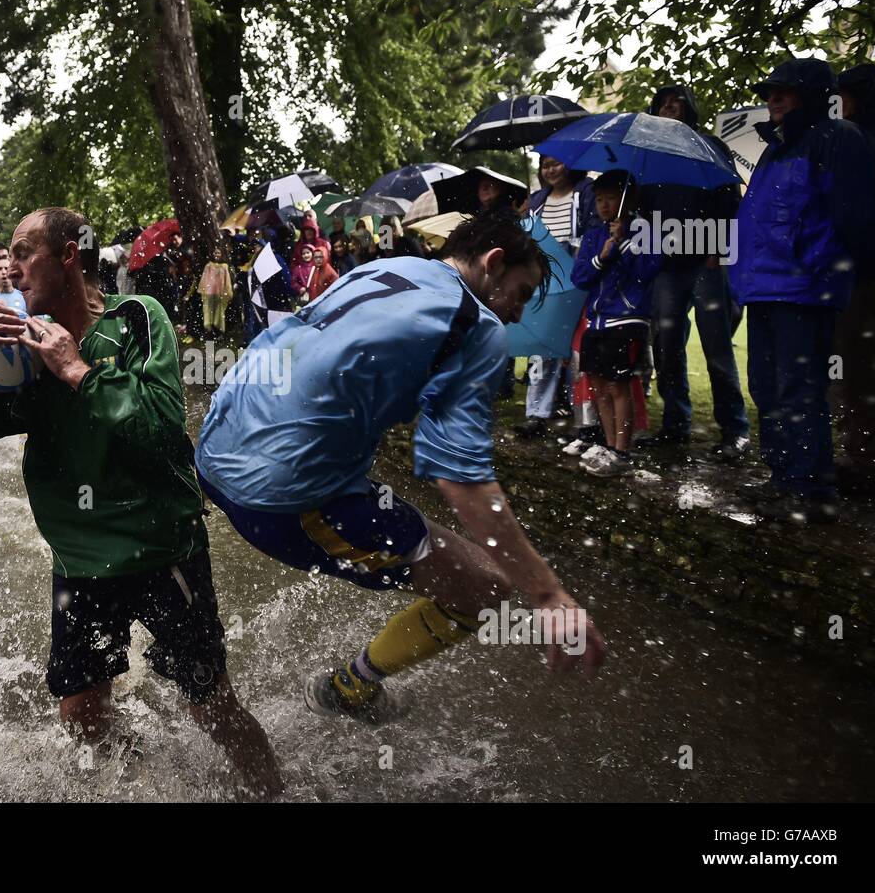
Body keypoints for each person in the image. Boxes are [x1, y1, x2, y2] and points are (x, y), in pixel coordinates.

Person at [0, 206, 283, 797]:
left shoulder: (139, 318)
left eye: (22, 252)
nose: (10, 268)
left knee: (212, 704)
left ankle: (274, 795)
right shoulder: (17, 350)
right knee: (81, 714)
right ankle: (136, 785)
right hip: (80, 561)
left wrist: (76, 370)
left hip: (161, 548)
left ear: (68, 255)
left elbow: (164, 427)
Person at [194, 208, 606, 721]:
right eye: (521, 294)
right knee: (490, 587)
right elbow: (460, 478)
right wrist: (548, 594)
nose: (519, 315)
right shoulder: (475, 325)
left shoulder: (387, 270)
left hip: (212, 454)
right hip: (280, 496)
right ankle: (347, 689)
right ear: (494, 262)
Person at [731, 58, 875, 523]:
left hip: (803, 290)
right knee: (766, 386)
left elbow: (859, 217)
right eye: (770, 91)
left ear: (813, 96)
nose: (772, 99)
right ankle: (784, 477)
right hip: (763, 289)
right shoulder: (774, 150)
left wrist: (828, 272)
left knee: (800, 389)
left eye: (784, 91)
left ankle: (810, 489)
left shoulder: (839, 139)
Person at [637, 84, 751, 460]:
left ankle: (735, 430)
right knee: (668, 348)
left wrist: (718, 250)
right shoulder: (648, 155)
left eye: (677, 104)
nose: (670, 109)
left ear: (689, 109)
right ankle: (675, 425)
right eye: (664, 104)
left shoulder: (709, 147)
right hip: (666, 266)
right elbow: (641, 206)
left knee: (716, 347)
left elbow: (729, 197)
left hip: (705, 261)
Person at [570, 171, 662, 477]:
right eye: (599, 199)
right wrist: (602, 256)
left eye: (611, 197)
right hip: (596, 321)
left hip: (627, 318)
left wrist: (623, 245)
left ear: (628, 199)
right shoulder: (595, 235)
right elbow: (580, 277)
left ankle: (622, 450)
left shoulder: (644, 231)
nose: (604, 205)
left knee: (618, 386)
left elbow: (647, 272)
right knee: (597, 385)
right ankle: (607, 445)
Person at [516, 157, 601, 438]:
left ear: (571, 164)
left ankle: (586, 421)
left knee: (579, 351)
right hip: (544, 278)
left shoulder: (587, 191)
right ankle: (536, 414)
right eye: (545, 165)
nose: (550, 170)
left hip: (577, 274)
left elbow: (593, 231)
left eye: (557, 164)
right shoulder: (538, 199)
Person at [832, 63, 875, 496]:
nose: (841, 102)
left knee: (866, 364)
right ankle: (858, 453)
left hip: (870, 270)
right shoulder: (841, 138)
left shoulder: (870, 139)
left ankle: (871, 461)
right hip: (844, 269)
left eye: (847, 94)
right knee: (847, 365)